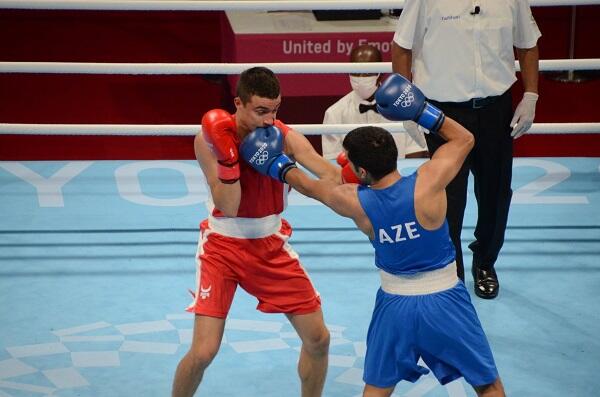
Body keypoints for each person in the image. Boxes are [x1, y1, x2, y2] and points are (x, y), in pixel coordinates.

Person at [240, 74, 505, 397]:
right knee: (487, 384)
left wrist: (276, 165)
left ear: (361, 172)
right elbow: (463, 139)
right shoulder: (429, 181)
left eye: (349, 161)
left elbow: (309, 185)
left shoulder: (354, 202)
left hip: (395, 307)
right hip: (446, 300)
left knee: (377, 390)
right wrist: (420, 111)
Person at [172, 66, 338, 397]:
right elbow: (229, 205)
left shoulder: (284, 136)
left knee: (318, 339)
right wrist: (230, 158)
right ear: (239, 102)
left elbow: (328, 174)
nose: (268, 120)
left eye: (275, 110)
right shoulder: (207, 141)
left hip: (271, 245)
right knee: (204, 352)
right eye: (261, 111)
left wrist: (283, 165)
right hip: (223, 247)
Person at [392, 0, 541, 298]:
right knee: (447, 198)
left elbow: (527, 43)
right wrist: (407, 106)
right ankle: (450, 270)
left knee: (496, 194)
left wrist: (531, 94)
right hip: (444, 114)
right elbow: (401, 47)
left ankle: (485, 262)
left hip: (495, 108)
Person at [322, 44, 427, 160]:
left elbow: (417, 154)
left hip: (399, 175)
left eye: (366, 73)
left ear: (380, 74)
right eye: (355, 72)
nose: (360, 78)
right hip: (353, 177)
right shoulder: (334, 113)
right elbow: (332, 162)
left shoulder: (404, 107)